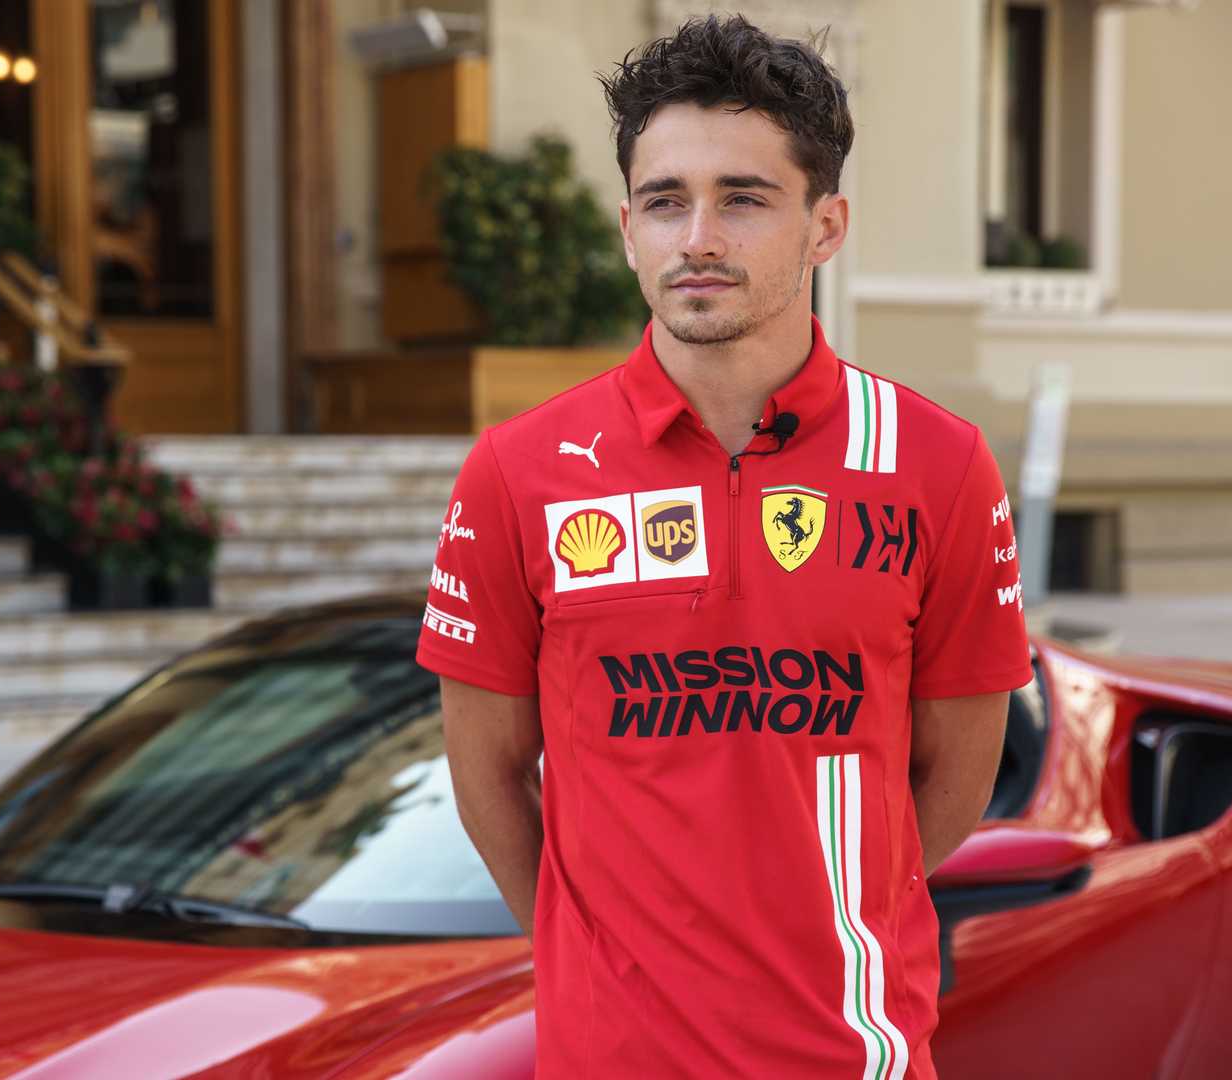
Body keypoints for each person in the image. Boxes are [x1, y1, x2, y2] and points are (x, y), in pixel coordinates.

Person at [414, 14, 1031, 1078]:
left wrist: (829, 913)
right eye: (666, 201)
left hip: (856, 1056)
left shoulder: (939, 466)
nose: (697, 237)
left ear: (825, 225)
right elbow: (489, 777)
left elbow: (958, 772)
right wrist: (598, 957)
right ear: (626, 229)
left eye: (743, 199)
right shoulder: (520, 472)